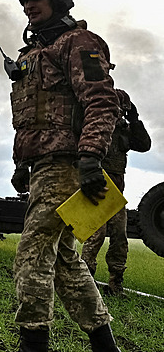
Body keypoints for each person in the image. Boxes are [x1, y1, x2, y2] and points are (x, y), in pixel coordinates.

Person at [8, 0, 123, 352]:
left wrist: (90, 156)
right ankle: (104, 344)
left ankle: (33, 344)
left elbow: (102, 101)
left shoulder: (80, 43)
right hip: (42, 168)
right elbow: (29, 118)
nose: (27, 5)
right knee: (63, 260)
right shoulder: (34, 54)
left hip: (66, 166)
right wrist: (21, 164)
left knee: (33, 252)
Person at [82, 89, 151, 295]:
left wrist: (135, 120)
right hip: (96, 191)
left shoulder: (124, 130)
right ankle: (86, 280)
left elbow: (144, 145)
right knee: (96, 235)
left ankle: (116, 283)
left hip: (116, 195)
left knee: (120, 238)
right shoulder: (96, 126)